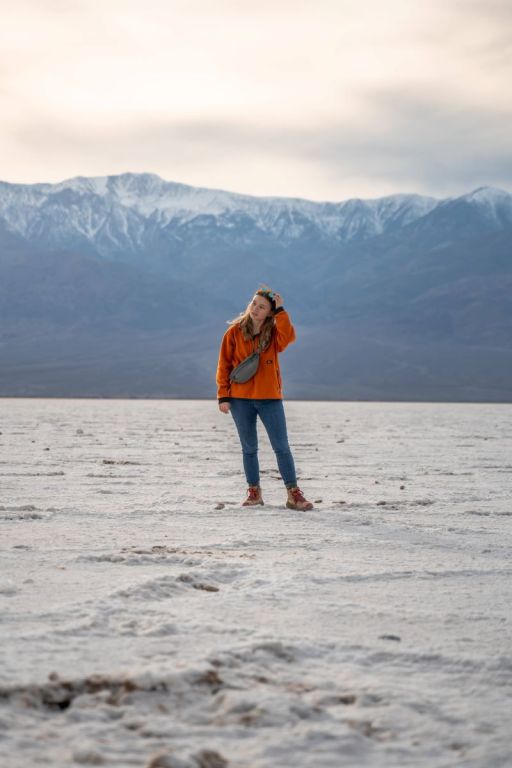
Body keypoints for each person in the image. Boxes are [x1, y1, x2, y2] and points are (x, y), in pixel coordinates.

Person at [216, 286, 313, 511]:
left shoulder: (274, 333)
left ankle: (293, 494)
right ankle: (254, 493)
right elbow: (224, 364)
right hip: (240, 399)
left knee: (281, 447)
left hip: (270, 398)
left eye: (262, 306)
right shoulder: (234, 332)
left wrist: (281, 311)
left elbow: (289, 337)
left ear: (270, 312)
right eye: (254, 304)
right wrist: (223, 395)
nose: (256, 309)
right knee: (249, 448)